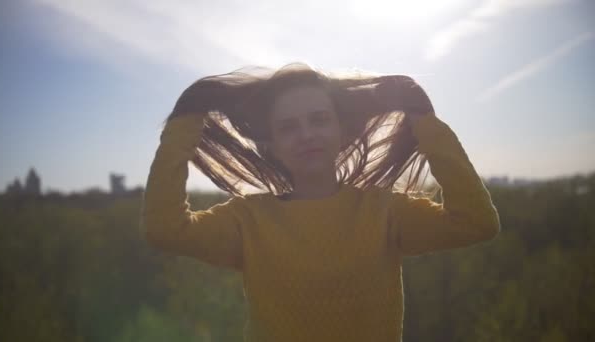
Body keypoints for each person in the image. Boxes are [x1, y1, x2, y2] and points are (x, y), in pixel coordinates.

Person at [141, 62, 501, 342]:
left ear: (341, 132)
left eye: (319, 119)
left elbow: (477, 222)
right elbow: (164, 230)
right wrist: (186, 118)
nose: (306, 134)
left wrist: (424, 119)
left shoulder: (385, 211)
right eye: (289, 126)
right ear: (271, 146)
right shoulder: (248, 221)